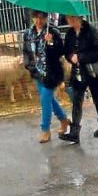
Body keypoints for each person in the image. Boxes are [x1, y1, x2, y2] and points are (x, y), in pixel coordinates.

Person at [60, 14, 98, 144]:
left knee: (97, 98)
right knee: (77, 100)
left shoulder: (91, 31)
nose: (69, 21)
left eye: (71, 18)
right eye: (68, 18)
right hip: (77, 72)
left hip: (93, 73)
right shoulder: (70, 33)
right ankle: (74, 132)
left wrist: (80, 57)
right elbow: (66, 51)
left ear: (78, 18)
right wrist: (71, 57)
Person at [22, 10, 69, 144]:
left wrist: (52, 42)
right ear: (32, 18)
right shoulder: (28, 34)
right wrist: (29, 65)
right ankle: (64, 119)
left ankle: (45, 129)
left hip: (51, 73)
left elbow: (61, 52)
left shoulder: (53, 32)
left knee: (44, 99)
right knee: (49, 100)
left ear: (46, 18)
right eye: (36, 18)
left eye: (42, 18)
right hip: (37, 72)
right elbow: (26, 51)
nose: (39, 21)